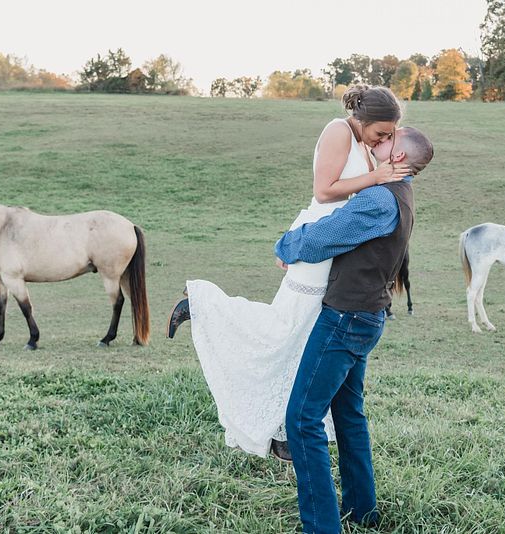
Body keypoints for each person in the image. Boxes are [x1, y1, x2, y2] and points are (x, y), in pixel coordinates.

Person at [166, 85, 407, 459]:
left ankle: (283, 430)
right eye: (382, 132)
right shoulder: (339, 131)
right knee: (286, 324)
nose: (386, 140)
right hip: (318, 238)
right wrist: (377, 178)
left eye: (391, 134)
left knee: (308, 330)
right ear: (362, 120)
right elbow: (325, 191)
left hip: (335, 242)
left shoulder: (363, 143)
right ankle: (200, 304)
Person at [277, 126, 433, 534]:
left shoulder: (380, 199)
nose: (377, 142)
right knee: (348, 413)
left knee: (302, 419)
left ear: (397, 157)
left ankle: (321, 527)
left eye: (386, 140)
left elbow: (326, 237)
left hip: (346, 318)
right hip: (367, 315)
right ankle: (363, 511)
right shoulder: (400, 193)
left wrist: (286, 246)